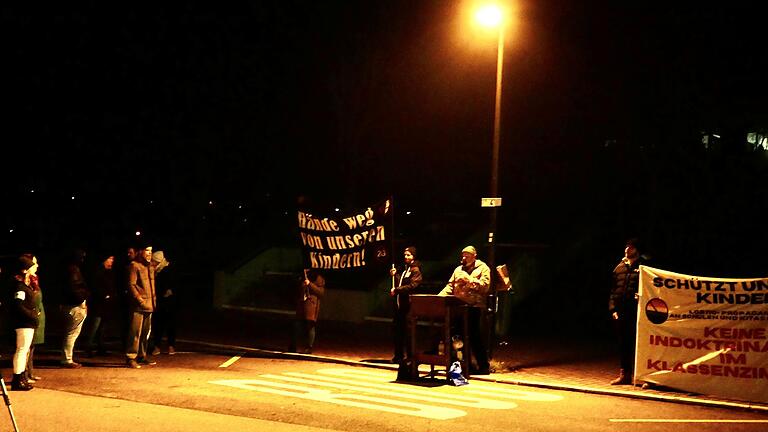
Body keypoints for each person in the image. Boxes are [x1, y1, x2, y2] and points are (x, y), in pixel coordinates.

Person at [438, 245, 491, 374]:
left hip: (474, 307)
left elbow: (485, 286)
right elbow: (450, 286)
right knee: (458, 337)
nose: (464, 258)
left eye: (467, 255)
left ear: (474, 256)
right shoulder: (458, 269)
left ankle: (483, 366)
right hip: (458, 307)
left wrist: (469, 279)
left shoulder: (483, 268)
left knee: (474, 336)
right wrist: (439, 298)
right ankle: (466, 364)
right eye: (463, 255)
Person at [608, 238, 646, 385]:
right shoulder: (619, 267)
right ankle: (625, 374)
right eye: (626, 246)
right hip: (621, 312)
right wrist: (613, 309)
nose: (627, 249)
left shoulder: (644, 266)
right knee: (623, 344)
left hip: (637, 311)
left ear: (637, 249)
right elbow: (612, 291)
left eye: (630, 247)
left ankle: (640, 375)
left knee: (639, 344)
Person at [10, 255, 40, 390]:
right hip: (24, 323)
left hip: (27, 323)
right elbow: (18, 305)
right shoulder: (20, 287)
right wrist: (32, 315)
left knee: (24, 350)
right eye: (32, 267)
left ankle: (21, 376)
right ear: (25, 270)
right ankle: (17, 378)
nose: (36, 267)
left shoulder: (24, 286)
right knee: (22, 350)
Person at [388, 246, 422, 363]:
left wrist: (397, 290)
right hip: (399, 306)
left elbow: (413, 286)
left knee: (409, 333)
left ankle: (411, 357)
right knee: (398, 331)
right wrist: (395, 274)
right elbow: (400, 282)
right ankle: (398, 356)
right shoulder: (404, 269)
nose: (406, 257)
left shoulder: (415, 270)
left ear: (413, 256)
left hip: (409, 306)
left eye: (408, 255)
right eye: (405, 255)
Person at [125, 245, 157, 368]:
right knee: (135, 333)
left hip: (149, 305)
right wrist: (139, 299)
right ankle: (131, 357)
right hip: (139, 305)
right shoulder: (135, 265)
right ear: (141, 252)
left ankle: (141, 356)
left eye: (151, 250)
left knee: (145, 333)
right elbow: (131, 284)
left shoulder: (150, 266)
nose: (149, 253)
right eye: (147, 250)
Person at [59, 249, 89, 368]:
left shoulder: (65, 270)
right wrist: (83, 298)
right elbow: (75, 288)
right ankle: (67, 359)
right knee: (72, 333)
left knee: (69, 332)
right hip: (74, 305)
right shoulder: (74, 271)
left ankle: (66, 357)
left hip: (68, 304)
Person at [83, 253, 116, 357]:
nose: (112, 261)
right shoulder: (98, 272)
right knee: (95, 325)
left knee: (102, 326)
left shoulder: (109, 272)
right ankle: (88, 346)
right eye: (110, 258)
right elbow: (95, 286)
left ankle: (100, 346)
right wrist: (104, 295)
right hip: (98, 303)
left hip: (105, 304)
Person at [290, 269, 325, 354]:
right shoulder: (302, 276)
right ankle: (293, 345)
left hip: (311, 305)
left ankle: (309, 347)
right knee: (297, 325)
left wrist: (310, 284)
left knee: (310, 326)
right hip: (302, 304)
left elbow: (320, 292)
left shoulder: (318, 278)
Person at [23, 254, 45, 384]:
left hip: (36, 315)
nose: (37, 266)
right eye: (34, 263)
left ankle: (30, 372)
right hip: (30, 316)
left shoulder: (34, 280)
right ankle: (24, 374)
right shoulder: (25, 282)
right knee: (25, 348)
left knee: (32, 347)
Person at [150, 250, 175, 355]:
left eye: (155, 261)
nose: (153, 263)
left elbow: (174, 283)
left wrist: (170, 290)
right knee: (157, 324)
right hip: (159, 300)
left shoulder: (168, 269)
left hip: (169, 301)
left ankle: (171, 346)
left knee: (170, 324)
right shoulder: (155, 271)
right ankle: (157, 346)